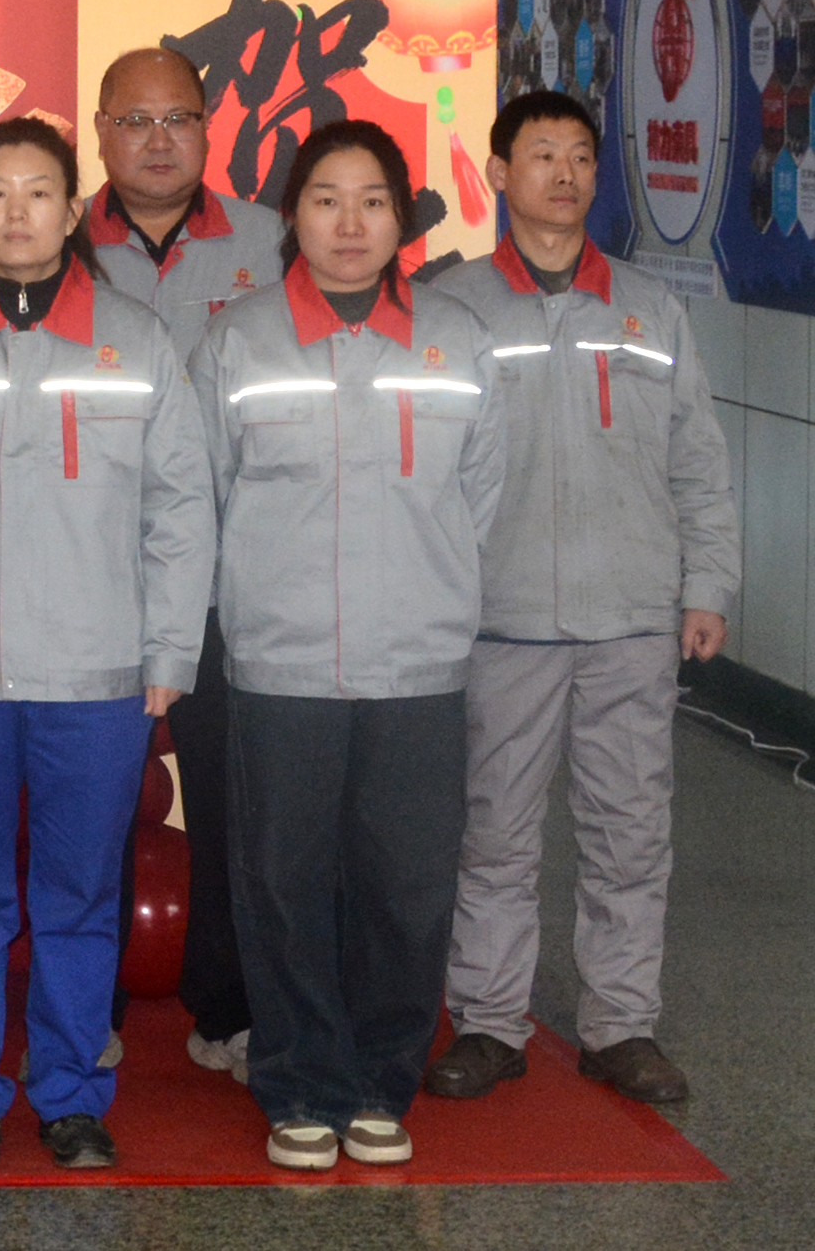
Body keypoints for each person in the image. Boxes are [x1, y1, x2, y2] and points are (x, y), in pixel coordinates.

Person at [0, 118, 214, 1171]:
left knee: (78, 897)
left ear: (72, 211)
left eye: (38, 192)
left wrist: (169, 652)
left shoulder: (135, 342)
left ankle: (68, 1090)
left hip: (95, 673)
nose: (16, 212)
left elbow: (179, 508)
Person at [187, 120, 506, 1172]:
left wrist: (436, 594)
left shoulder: (457, 340)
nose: (350, 222)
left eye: (373, 200)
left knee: (406, 885)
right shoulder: (238, 341)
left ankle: (378, 1079)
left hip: (417, 662)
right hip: (280, 664)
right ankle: (298, 1081)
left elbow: (481, 496)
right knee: (281, 881)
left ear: (402, 217)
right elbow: (204, 496)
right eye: (326, 199)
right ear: (293, 215)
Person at [424, 91, 739, 1106]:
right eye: (540, 154)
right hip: (498, 618)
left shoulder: (648, 308)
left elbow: (697, 460)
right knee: (494, 832)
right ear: (498, 172)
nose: (562, 173)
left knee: (628, 831)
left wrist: (706, 584)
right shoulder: (453, 307)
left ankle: (620, 1024)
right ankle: (487, 1020)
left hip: (631, 617)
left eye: (578, 156)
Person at [86, 46, 288, 1084]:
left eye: (178, 118)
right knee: (94, 805)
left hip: (228, 578)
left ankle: (231, 1005)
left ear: (208, 129)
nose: (157, 140)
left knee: (229, 802)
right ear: (100, 132)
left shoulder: (271, 241)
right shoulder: (54, 241)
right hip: (87, 574)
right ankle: (89, 1005)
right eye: (134, 120)